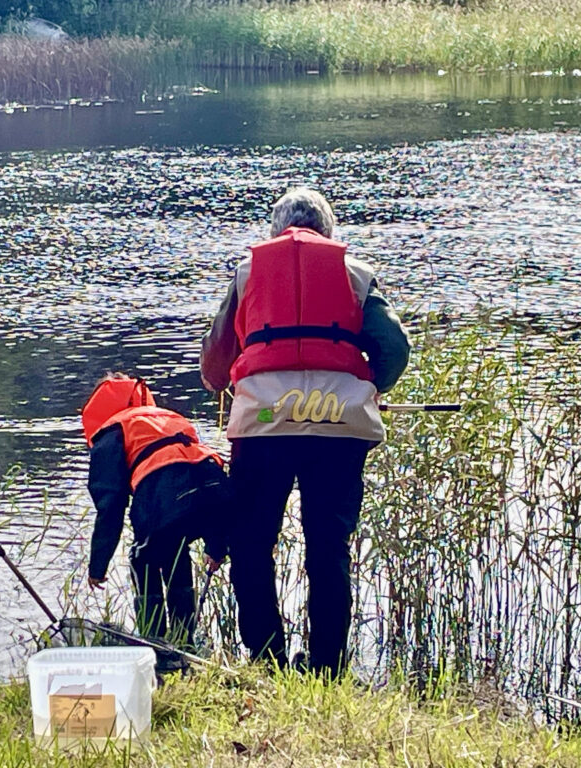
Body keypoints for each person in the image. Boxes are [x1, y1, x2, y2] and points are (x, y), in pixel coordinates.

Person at [200, 187, 410, 678]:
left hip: (265, 424)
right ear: (331, 233)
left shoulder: (248, 272)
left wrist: (219, 381)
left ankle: (267, 657)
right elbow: (394, 348)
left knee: (251, 542)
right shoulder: (355, 273)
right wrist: (370, 386)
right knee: (328, 544)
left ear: (274, 233)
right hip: (337, 424)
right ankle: (328, 666)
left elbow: (216, 357)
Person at [81, 373, 230, 652]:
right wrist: (216, 545)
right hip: (215, 485)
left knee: (143, 556)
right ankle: (184, 643)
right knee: (175, 549)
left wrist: (97, 567)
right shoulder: (165, 417)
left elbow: (110, 505)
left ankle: (152, 644)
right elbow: (193, 470)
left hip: (166, 493)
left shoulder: (112, 430)